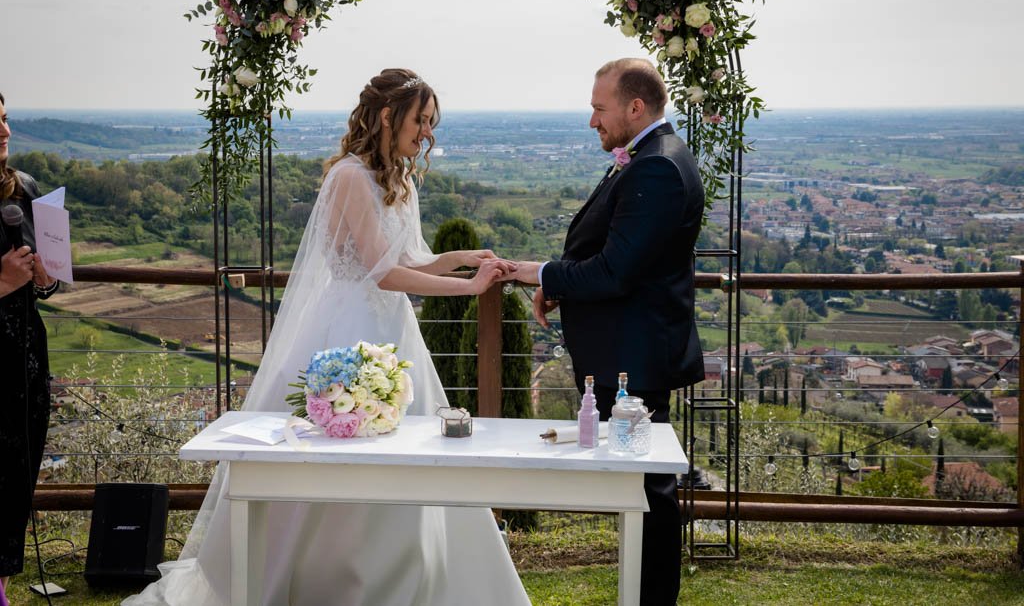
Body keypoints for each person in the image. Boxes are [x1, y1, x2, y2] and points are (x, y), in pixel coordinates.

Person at [124, 69, 530, 606]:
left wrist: (463, 260)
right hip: (348, 335)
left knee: (414, 462)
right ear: (388, 116)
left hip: (394, 337)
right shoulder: (350, 176)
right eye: (421, 121)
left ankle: (415, 581)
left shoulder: (400, 179)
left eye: (432, 123)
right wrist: (470, 288)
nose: (428, 133)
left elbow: (411, 260)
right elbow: (381, 273)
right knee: (335, 455)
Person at [513, 58, 705, 606]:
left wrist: (540, 273)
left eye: (600, 108)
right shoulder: (652, 155)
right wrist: (561, 285)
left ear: (635, 107)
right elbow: (616, 253)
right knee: (641, 488)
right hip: (631, 351)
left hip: (634, 358)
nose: (592, 120)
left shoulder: (656, 167)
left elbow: (616, 272)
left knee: (649, 492)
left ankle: (652, 599)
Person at [0, 91, 59, 600]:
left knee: (17, 477)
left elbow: (47, 282)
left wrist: (45, 278)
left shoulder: (25, 188)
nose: (4, 131)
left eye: (5, 119)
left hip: (24, 358)